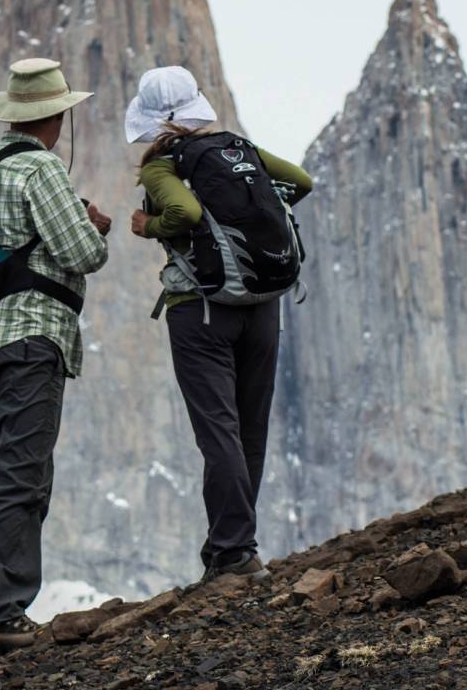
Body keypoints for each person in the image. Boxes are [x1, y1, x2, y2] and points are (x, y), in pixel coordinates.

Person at [125, 66, 312, 582]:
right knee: (250, 427)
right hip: (261, 303)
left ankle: (232, 553)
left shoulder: (165, 165)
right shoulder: (238, 148)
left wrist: (150, 227)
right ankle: (232, 548)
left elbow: (182, 212)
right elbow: (300, 181)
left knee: (218, 429)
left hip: (202, 309)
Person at [0, 58, 111, 655]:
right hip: (33, 339)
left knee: (8, 474)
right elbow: (82, 254)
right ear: (55, 116)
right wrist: (93, 225)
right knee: (22, 478)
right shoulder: (41, 167)